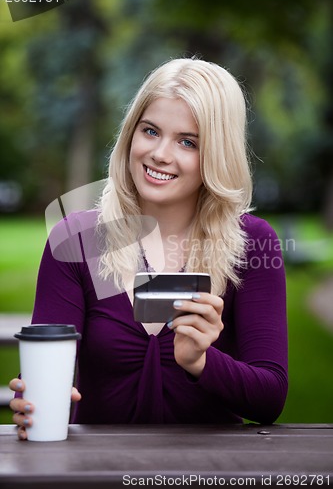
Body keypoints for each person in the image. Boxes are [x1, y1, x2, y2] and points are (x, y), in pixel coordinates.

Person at [9, 57, 288, 439]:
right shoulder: (78, 240)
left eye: (187, 142)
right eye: (151, 131)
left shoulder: (253, 243)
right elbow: (45, 373)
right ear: (131, 134)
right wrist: (34, 405)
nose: (160, 153)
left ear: (217, 155)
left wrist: (201, 361)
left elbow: (269, 399)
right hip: (93, 473)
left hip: (210, 472)